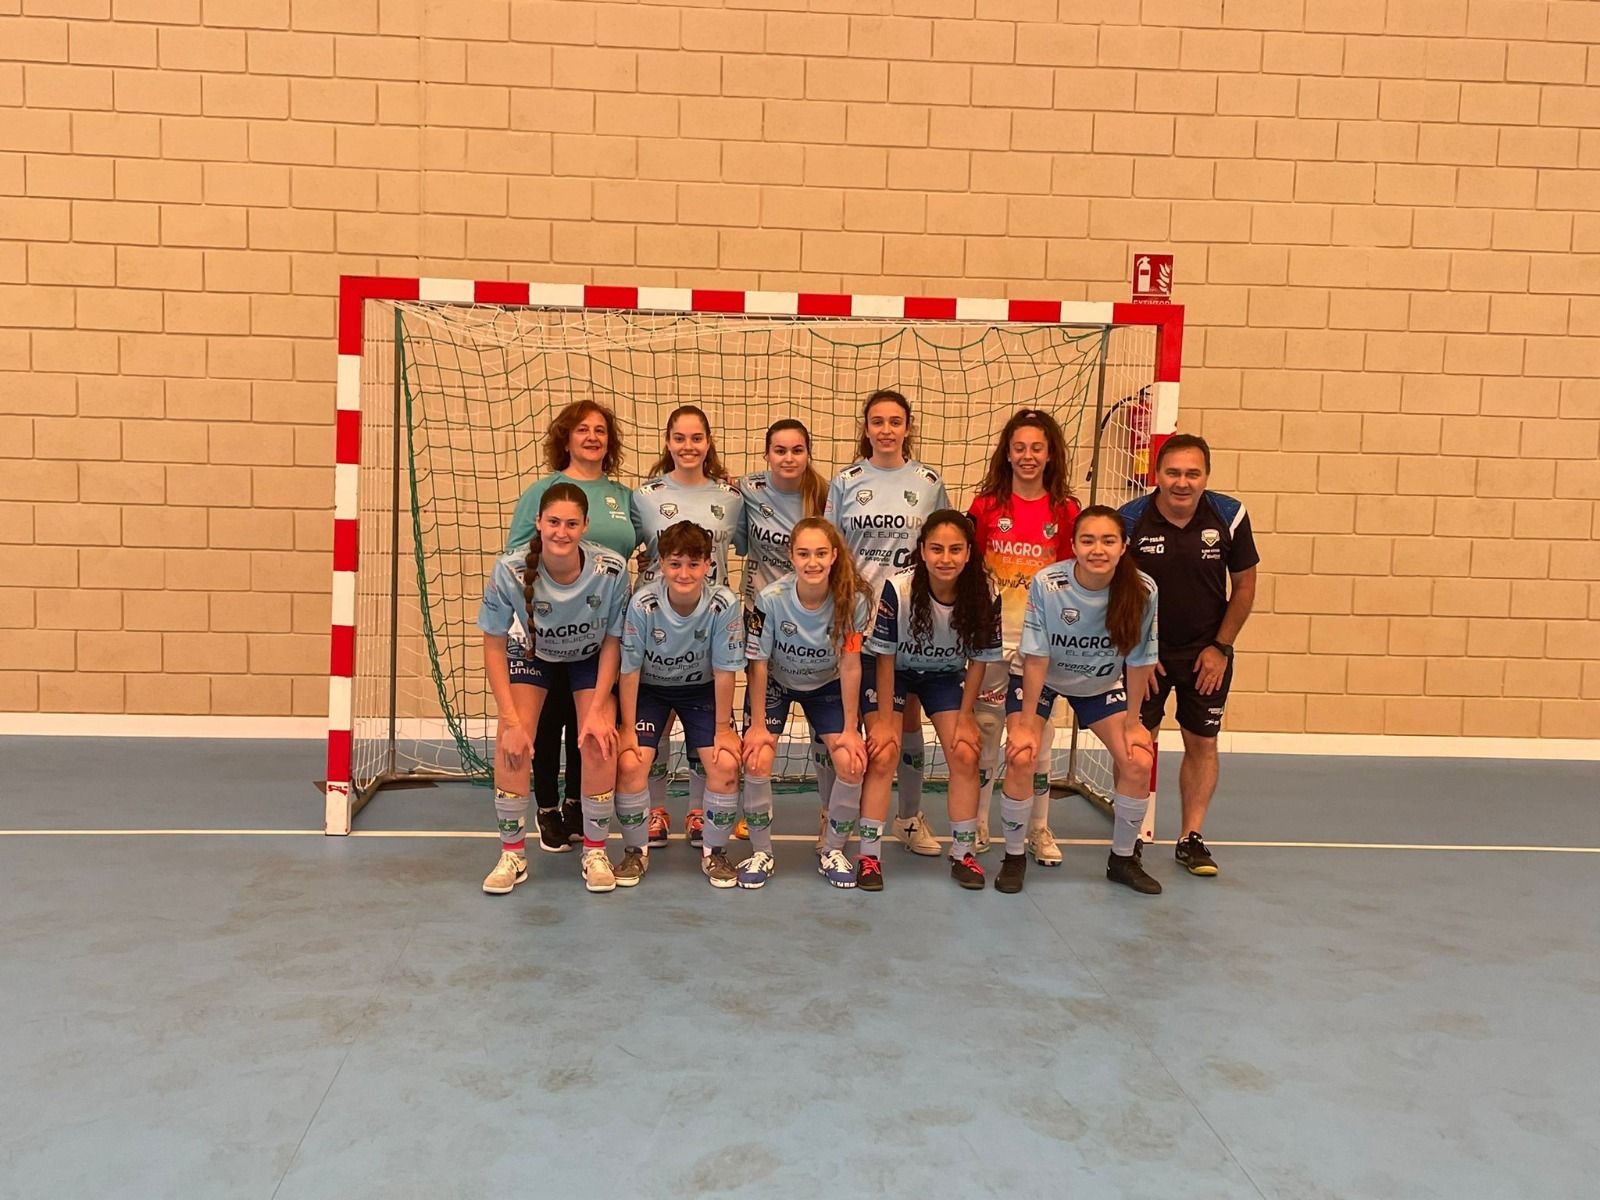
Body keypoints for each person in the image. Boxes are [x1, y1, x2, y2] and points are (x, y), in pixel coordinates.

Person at [476, 483, 629, 895]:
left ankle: (595, 851)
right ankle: (512, 854)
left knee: (600, 740)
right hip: (533, 654)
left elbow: (614, 641)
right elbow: (493, 645)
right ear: (539, 524)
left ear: (585, 526)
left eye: (572, 523)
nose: (562, 531)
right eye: (554, 522)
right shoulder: (509, 570)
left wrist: (598, 709)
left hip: (590, 656)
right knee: (513, 743)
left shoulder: (610, 569)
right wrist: (509, 718)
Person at [1003, 506, 1161, 896]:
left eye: (1108, 540)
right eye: (1087, 540)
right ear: (1073, 545)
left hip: (1100, 683)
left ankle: (1123, 859)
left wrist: (1134, 721)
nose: (1098, 549)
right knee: (1022, 755)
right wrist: (1025, 723)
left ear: (1124, 546)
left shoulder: (1143, 590)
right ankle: (1013, 857)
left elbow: (1140, 659)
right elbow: (1037, 656)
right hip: (1042, 677)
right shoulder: (1048, 583)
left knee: (1138, 759)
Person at [1120, 433, 1258, 877]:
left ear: (1206, 477)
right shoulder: (1129, 520)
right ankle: (1130, 840)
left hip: (1206, 656)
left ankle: (1191, 837)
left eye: (1192, 473)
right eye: (1173, 472)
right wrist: (1139, 650)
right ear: (1157, 475)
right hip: (1147, 657)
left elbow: (1245, 586)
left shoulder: (1230, 515)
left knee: (1202, 741)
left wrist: (1221, 647)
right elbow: (1112, 592)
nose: (1182, 482)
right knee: (1138, 745)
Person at [504, 400, 637, 854]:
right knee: (549, 718)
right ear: (566, 437)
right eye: (583, 429)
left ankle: (580, 803)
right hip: (547, 630)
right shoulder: (543, 490)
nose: (593, 437)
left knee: (593, 722)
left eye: (601, 430)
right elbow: (519, 554)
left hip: (599, 631)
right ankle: (546, 808)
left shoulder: (622, 497)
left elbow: (646, 548)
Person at [824, 388, 950, 858]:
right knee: (845, 716)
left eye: (895, 421)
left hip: (912, 619)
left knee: (906, 718)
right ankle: (835, 815)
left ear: (908, 428)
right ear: (866, 428)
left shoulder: (928, 481)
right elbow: (831, 549)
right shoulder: (847, 481)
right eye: (877, 421)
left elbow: (942, 546)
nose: (886, 430)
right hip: (857, 616)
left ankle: (908, 816)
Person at [860, 511, 1002, 892]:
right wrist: (888, 720)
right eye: (936, 548)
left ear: (969, 552)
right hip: (893, 671)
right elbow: (885, 657)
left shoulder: (986, 592)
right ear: (921, 551)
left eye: (956, 549)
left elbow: (979, 660)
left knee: (966, 751)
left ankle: (962, 853)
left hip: (943, 675)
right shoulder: (899, 588)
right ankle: (869, 856)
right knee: (884, 751)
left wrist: (967, 715)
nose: (946, 558)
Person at [966, 408, 1081, 866]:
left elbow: (1074, 576)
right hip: (992, 637)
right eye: (1020, 448)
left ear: (1050, 454)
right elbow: (970, 572)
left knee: (1038, 735)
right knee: (987, 732)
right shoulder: (986, 507)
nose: (1028, 456)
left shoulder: (1065, 510)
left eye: (1037, 448)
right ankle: (976, 821)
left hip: (1041, 643)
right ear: (1007, 454)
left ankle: (1037, 827)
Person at [631, 405, 746, 851]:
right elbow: (639, 551)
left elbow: (750, 548)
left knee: (708, 734)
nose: (688, 446)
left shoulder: (731, 498)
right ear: (667, 442)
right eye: (679, 438)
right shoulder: (644, 496)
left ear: (709, 443)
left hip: (709, 627)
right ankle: (656, 811)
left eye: (697, 438)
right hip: (657, 625)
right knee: (653, 735)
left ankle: (699, 813)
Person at [615, 522, 746, 889]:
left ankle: (716, 853)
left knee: (724, 763)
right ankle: (635, 852)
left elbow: (724, 672)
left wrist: (723, 730)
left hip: (700, 690)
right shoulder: (644, 602)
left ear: (708, 564)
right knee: (629, 763)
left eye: (693, 563)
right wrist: (627, 728)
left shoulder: (723, 604)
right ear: (660, 564)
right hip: (650, 690)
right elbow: (629, 671)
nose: (684, 573)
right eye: (675, 564)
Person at [743, 517, 871, 889]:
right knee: (757, 756)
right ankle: (761, 852)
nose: (812, 562)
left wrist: (850, 729)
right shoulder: (770, 599)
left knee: (850, 761)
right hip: (778, 684)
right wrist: (756, 725)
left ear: (833, 555)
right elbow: (759, 663)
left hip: (825, 685)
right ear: (791, 556)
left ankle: (832, 849)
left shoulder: (853, 600)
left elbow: (850, 664)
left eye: (820, 553)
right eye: (803, 554)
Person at [737, 419, 829, 847]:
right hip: (762, 613)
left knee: (825, 727)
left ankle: (831, 815)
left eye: (797, 450)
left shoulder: (825, 496)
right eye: (779, 450)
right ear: (767, 454)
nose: (788, 458)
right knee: (756, 723)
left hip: (814, 617)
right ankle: (749, 813)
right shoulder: (748, 491)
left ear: (808, 453)